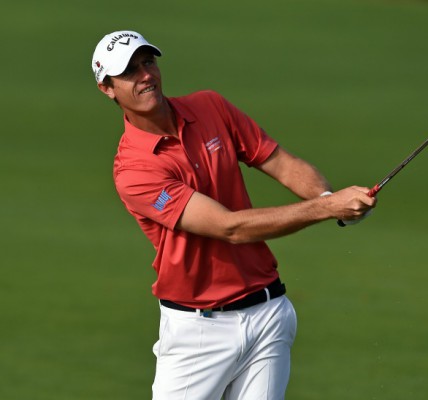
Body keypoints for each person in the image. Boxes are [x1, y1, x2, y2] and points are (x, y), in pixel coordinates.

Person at [92, 30, 376, 400]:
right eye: (129, 71)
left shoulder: (210, 107)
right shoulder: (134, 171)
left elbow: (281, 164)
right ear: (108, 89)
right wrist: (327, 207)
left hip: (267, 312)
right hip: (197, 331)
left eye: (148, 62)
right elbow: (230, 228)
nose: (145, 75)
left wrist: (330, 198)